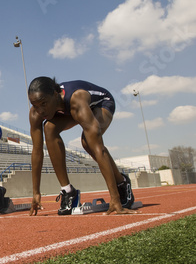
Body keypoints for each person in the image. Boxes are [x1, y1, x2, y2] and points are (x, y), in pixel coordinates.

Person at [27, 76, 138, 216]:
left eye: (43, 103)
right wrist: (36, 192)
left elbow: (99, 149)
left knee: (87, 142)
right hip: (69, 109)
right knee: (49, 129)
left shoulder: (76, 98)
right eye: (35, 105)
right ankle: (68, 191)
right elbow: (37, 151)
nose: (40, 110)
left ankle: (121, 183)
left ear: (55, 95)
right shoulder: (35, 113)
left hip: (101, 104)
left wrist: (114, 199)